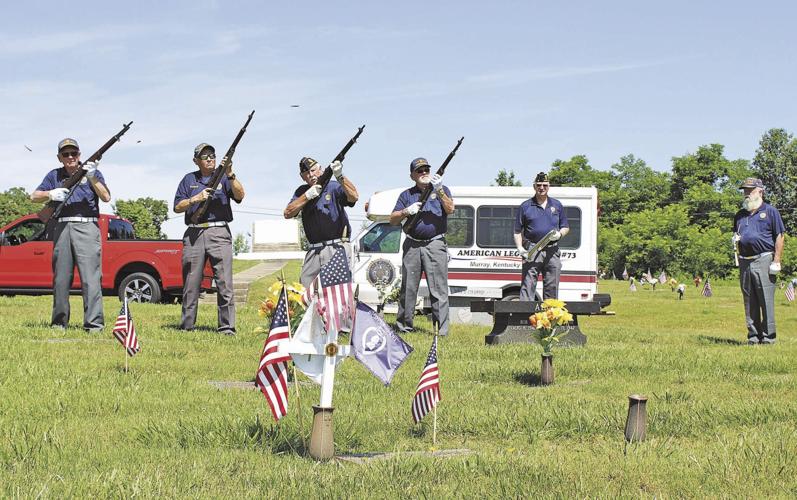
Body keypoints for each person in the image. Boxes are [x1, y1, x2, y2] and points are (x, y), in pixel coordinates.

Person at [31, 138, 110, 332]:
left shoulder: (93, 172)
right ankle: (59, 323)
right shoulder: (54, 175)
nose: (70, 157)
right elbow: (33, 196)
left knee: (90, 279)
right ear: (59, 157)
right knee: (61, 279)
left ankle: (94, 325)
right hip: (62, 227)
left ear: (79, 155)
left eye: (73, 153)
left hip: (87, 227)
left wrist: (92, 177)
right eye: (65, 154)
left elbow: (106, 197)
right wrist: (50, 194)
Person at [173, 143, 245, 335]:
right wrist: (196, 198)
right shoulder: (188, 180)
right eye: (205, 156)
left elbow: (240, 195)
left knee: (224, 281)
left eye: (212, 155)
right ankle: (187, 325)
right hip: (194, 233)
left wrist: (230, 174)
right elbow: (177, 207)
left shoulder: (224, 176)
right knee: (191, 282)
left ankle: (227, 326)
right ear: (196, 161)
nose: (210, 159)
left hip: (219, 232)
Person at [389, 158, 454, 335]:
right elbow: (393, 220)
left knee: (438, 288)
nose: (424, 172)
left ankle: (441, 330)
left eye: (426, 169)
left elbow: (450, 209)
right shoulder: (406, 195)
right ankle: (404, 327)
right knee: (408, 288)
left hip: (435, 243)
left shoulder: (442, 189)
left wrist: (439, 190)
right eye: (419, 170)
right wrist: (406, 211)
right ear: (412, 175)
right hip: (412, 244)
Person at [284, 157, 358, 288]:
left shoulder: (334, 186)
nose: (311, 175)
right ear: (302, 177)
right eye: (306, 173)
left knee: (337, 293)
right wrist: (307, 196)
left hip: (336, 247)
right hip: (313, 250)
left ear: (321, 170)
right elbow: (288, 213)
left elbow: (354, 196)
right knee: (305, 291)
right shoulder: (301, 192)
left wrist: (340, 176)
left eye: (313, 170)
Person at [732, 177, 785, 345]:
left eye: (750, 190)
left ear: (760, 191)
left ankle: (769, 338)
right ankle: (754, 337)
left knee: (765, 300)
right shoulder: (740, 215)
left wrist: (776, 260)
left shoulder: (770, 211)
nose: (746, 194)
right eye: (745, 191)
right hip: (745, 261)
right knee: (749, 301)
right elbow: (737, 234)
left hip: (764, 258)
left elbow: (779, 235)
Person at [514, 171, 569, 301]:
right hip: (532, 249)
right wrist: (520, 248)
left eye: (545, 185)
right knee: (528, 286)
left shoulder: (557, 205)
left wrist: (560, 234)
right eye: (539, 185)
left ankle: (550, 319)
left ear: (549, 186)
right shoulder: (525, 206)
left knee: (552, 287)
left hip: (552, 250)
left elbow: (566, 227)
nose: (542, 188)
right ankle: (524, 318)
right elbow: (517, 231)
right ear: (534, 186)